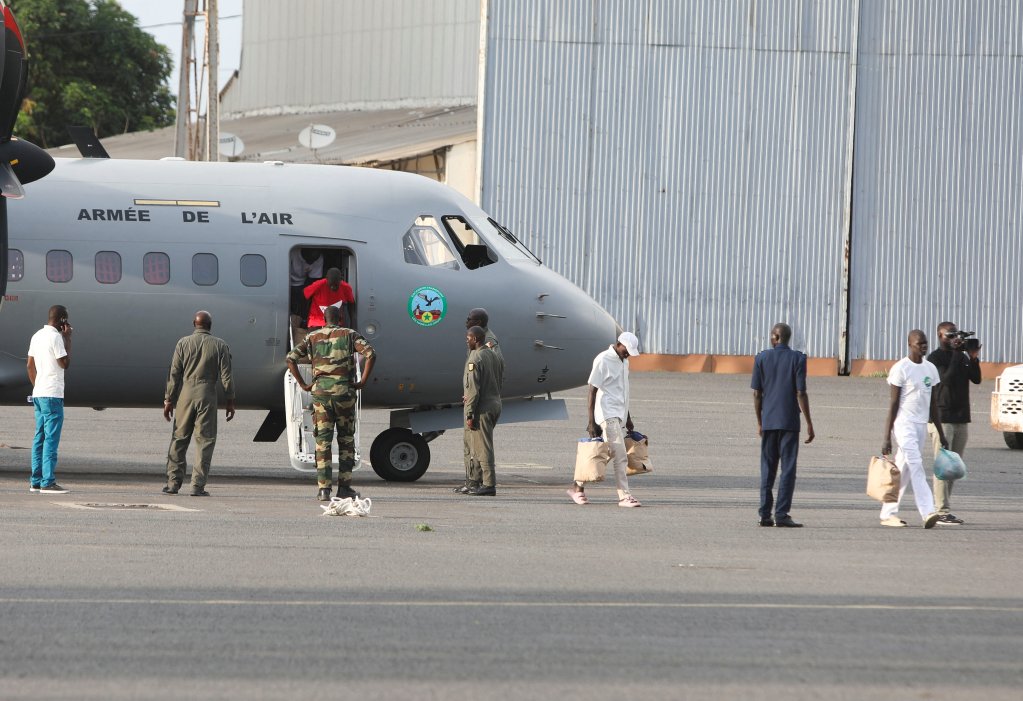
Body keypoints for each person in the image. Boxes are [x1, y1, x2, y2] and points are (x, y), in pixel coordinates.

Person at [286, 305, 376, 501]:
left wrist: (303, 384)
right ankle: (344, 487)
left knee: (322, 442)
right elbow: (370, 354)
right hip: (344, 393)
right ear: (340, 317)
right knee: (345, 441)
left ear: (323, 318)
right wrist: (362, 382)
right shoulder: (350, 334)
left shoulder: (312, 337)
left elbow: (290, 358)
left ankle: (323, 489)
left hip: (321, 395)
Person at [163, 311, 236, 497]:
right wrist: (230, 400)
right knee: (204, 440)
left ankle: (173, 483)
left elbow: (174, 373)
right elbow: (226, 376)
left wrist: (168, 399)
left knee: (179, 438)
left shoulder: (183, 343)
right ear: (210, 325)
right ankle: (197, 485)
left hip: (186, 394)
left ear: (194, 324)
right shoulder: (220, 345)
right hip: (207, 394)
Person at [880, 329, 946, 528]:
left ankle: (887, 513)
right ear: (910, 344)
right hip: (903, 424)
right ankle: (928, 512)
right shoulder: (901, 368)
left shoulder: (930, 369)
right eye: (919, 343)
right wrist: (886, 437)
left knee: (903, 470)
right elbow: (893, 404)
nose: (923, 346)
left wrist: (941, 434)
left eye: (925, 343)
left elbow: (933, 404)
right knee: (916, 464)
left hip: (920, 426)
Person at [568, 332, 642, 507]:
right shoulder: (603, 359)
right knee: (621, 455)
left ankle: (577, 486)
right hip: (607, 414)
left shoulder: (625, 362)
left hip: (619, 415)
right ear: (619, 344)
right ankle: (624, 496)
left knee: (607, 452)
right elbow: (592, 391)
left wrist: (629, 418)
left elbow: (623, 392)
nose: (628, 354)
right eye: (627, 350)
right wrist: (591, 421)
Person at [751, 323, 815, 527]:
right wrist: (809, 423)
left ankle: (764, 514)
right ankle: (781, 514)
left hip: (769, 420)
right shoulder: (798, 358)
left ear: (775, 337)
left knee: (767, 468)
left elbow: (757, 394)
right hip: (789, 421)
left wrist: (760, 422)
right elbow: (801, 392)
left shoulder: (761, 358)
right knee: (787, 469)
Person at [926, 321, 981, 525]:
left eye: (956, 335)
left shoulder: (962, 357)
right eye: (949, 336)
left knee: (953, 468)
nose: (954, 339)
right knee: (942, 465)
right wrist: (958, 354)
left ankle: (945, 508)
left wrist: (973, 358)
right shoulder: (935, 358)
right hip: (942, 418)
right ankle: (941, 510)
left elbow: (976, 379)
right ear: (940, 336)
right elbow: (945, 379)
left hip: (961, 417)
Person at [454, 308, 503, 494]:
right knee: (473, 444)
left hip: (482, 404)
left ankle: (488, 484)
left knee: (482, 446)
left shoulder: (483, 351)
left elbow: (474, 386)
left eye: (471, 319)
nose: (466, 321)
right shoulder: (485, 352)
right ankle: (473, 481)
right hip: (489, 401)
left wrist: (469, 411)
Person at [26, 305, 73, 494]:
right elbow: (65, 363)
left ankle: (35, 481)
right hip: (52, 394)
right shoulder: (56, 337)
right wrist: (67, 339)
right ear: (62, 320)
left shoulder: (36, 336)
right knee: (51, 439)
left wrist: (38, 385)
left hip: (39, 393)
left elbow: (29, 365)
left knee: (39, 437)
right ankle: (48, 482)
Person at [289, 248, 323, 318]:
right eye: (310, 260)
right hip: (287, 281)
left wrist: (305, 293)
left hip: (302, 283)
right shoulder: (292, 253)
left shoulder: (318, 259)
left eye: (314, 260)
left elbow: (313, 280)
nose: (311, 263)